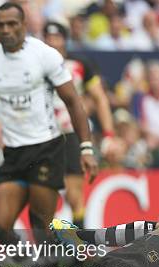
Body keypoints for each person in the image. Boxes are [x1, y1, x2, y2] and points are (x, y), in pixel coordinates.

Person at [0, 2, 98, 267]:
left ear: (23, 25)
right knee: (0, 227)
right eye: (0, 25)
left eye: (11, 24)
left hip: (47, 148)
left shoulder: (44, 55)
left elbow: (73, 102)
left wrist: (85, 148)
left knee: (41, 228)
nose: (5, 30)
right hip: (13, 153)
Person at [43, 20, 114, 228]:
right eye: (48, 37)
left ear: (65, 40)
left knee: (75, 192)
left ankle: (78, 247)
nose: (52, 42)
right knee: (43, 191)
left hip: (72, 132)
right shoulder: (35, 65)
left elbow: (99, 98)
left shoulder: (81, 64)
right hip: (43, 135)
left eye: (57, 37)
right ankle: (47, 245)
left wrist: (108, 133)